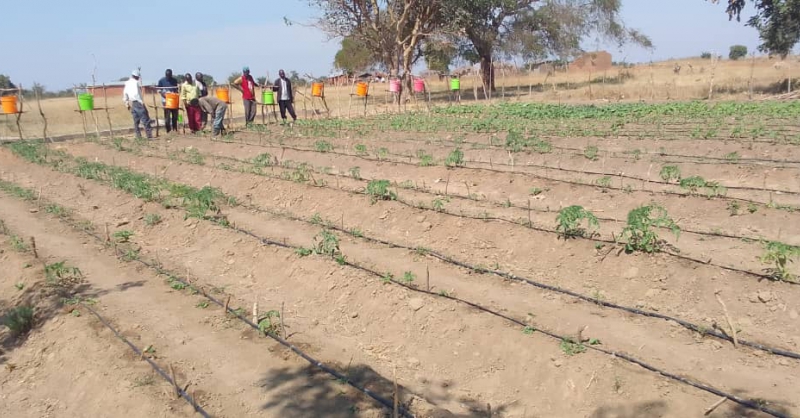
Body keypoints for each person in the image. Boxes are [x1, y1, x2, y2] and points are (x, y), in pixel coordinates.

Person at [123, 70, 152, 139]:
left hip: (133, 103)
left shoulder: (127, 83)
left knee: (136, 121)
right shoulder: (136, 83)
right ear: (136, 76)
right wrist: (142, 103)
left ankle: (138, 136)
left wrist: (126, 103)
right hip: (138, 103)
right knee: (146, 119)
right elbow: (137, 94)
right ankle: (149, 136)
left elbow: (125, 94)